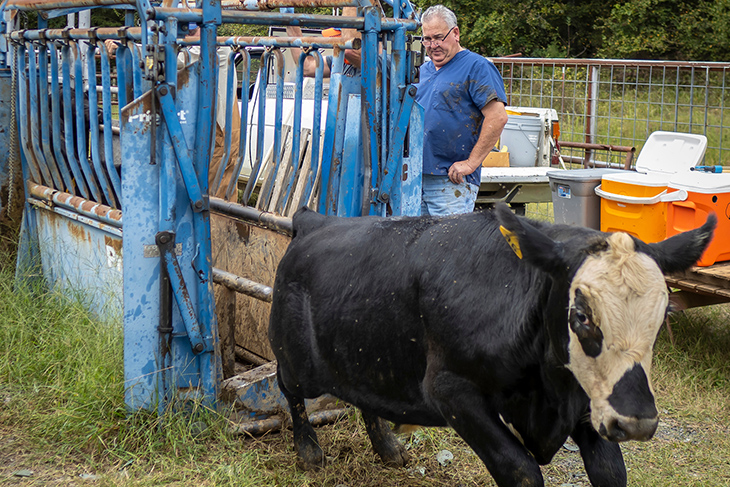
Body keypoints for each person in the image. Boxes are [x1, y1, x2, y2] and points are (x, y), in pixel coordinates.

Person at [415, 5, 509, 216]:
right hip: (416, 178)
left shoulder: (477, 66)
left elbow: (497, 117)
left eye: (439, 37)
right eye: (427, 39)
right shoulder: (423, 69)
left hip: (451, 182)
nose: (433, 45)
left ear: (455, 33)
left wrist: (471, 163)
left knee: (447, 245)